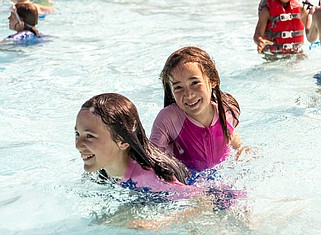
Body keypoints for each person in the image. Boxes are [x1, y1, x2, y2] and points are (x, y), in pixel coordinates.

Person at [75, 92, 204, 198]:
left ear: (122, 142)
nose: (78, 145)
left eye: (89, 136)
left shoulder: (150, 178)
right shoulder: (102, 170)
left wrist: (155, 223)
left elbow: (199, 198)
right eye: (77, 133)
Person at [150, 46, 242, 172]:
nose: (188, 94)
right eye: (178, 88)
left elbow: (231, 135)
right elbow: (152, 161)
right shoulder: (168, 119)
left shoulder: (228, 111)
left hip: (222, 176)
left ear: (212, 80)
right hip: (188, 183)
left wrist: (242, 151)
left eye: (194, 83)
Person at [253, 0, 321, 54]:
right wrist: (259, 41)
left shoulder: (301, 9)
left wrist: (311, 15)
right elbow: (257, 34)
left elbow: (310, 37)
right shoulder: (266, 11)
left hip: (297, 54)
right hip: (273, 56)